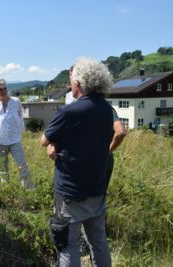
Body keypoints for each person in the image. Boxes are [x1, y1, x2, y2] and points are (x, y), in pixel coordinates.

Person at [41, 57, 114, 266]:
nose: (69, 84)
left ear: (79, 83)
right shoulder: (106, 110)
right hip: (98, 189)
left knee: (68, 245)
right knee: (98, 241)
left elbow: (44, 139)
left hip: (70, 193)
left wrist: (52, 144)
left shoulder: (70, 111)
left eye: (71, 80)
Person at [0, 78, 35, 190]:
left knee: (23, 166)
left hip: (15, 140)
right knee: (3, 169)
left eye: (5, 88)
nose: (3, 91)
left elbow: (20, 116)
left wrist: (20, 131)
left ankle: (29, 190)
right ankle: (6, 191)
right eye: (0, 89)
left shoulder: (16, 101)